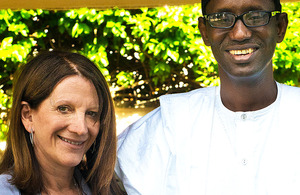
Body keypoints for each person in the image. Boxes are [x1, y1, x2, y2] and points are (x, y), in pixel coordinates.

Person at [116, 0, 300, 194]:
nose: (240, 33)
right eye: (222, 18)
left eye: (255, 16)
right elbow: (98, 175)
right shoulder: (170, 125)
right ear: (204, 31)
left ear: (280, 26)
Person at [0, 51, 125, 195]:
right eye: (64, 109)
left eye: (91, 113)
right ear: (28, 116)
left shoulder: (111, 189)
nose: (81, 129)